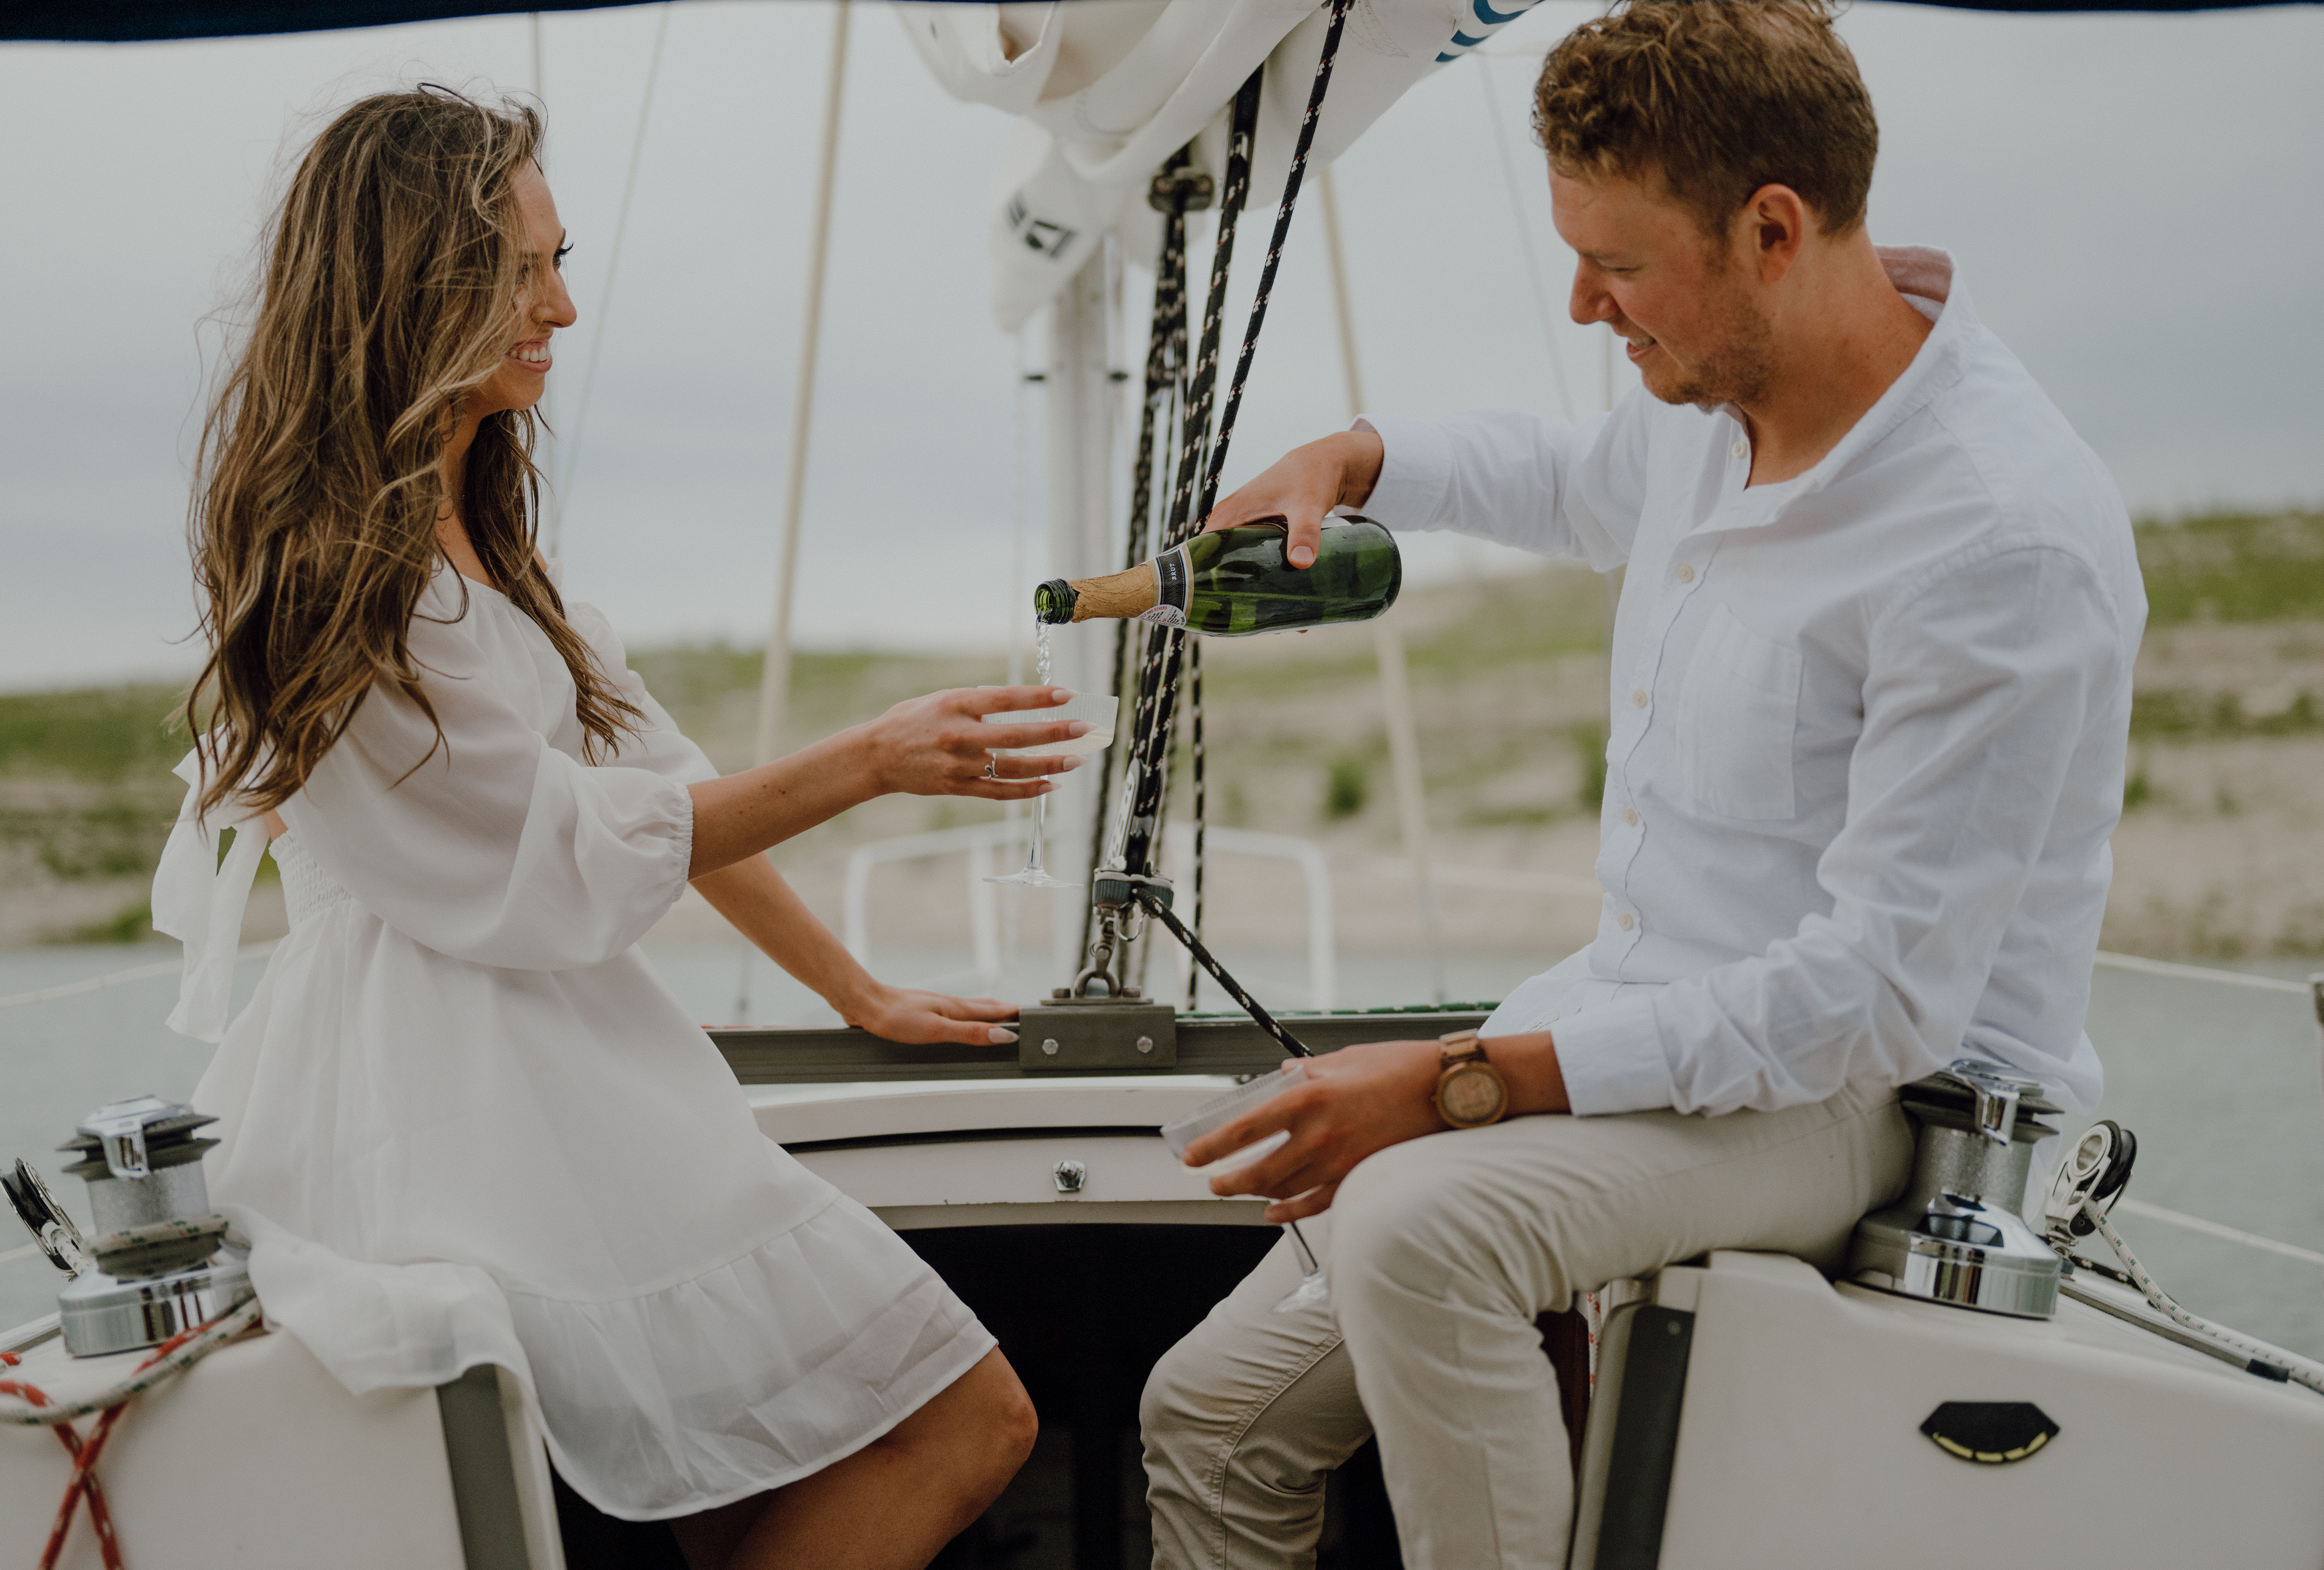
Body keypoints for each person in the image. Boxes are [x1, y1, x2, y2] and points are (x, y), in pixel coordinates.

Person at [1138, 3, 2145, 1567]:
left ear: (1771, 228)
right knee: (1209, 1413)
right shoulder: (1718, 395)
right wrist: (1353, 455)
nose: (1584, 301)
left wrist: (1459, 1078)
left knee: (1417, 1224)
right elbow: (1568, 474)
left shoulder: (1998, 537)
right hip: (1655, 1010)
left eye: (1616, 263)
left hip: (1873, 1089)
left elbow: (1868, 1000)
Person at [155, 88, 1074, 1569]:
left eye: (557, 259)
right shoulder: (343, 578)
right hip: (456, 1110)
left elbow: (668, 788)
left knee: (741, 1488)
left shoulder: (497, 556)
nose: (562, 306)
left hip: (572, 1086)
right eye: (523, 271)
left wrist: (857, 992)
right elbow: (561, 850)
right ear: (411, 277)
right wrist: (874, 757)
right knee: (970, 1420)